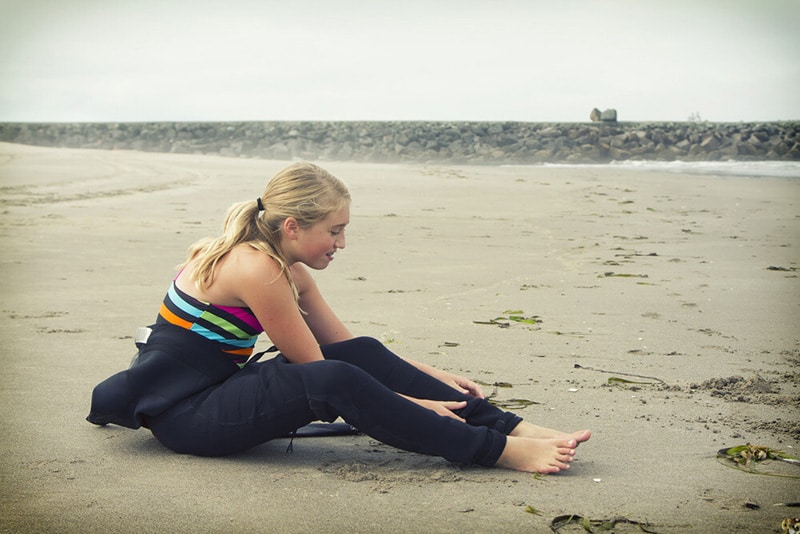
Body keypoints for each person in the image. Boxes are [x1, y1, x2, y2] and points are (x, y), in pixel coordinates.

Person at [87, 162, 590, 473]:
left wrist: (433, 379)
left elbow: (348, 349)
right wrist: (411, 403)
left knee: (360, 351)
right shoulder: (256, 268)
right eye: (334, 230)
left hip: (217, 390)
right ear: (291, 226)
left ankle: (512, 427)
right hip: (188, 418)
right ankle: (496, 450)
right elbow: (316, 371)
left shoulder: (283, 265)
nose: (341, 244)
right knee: (332, 376)